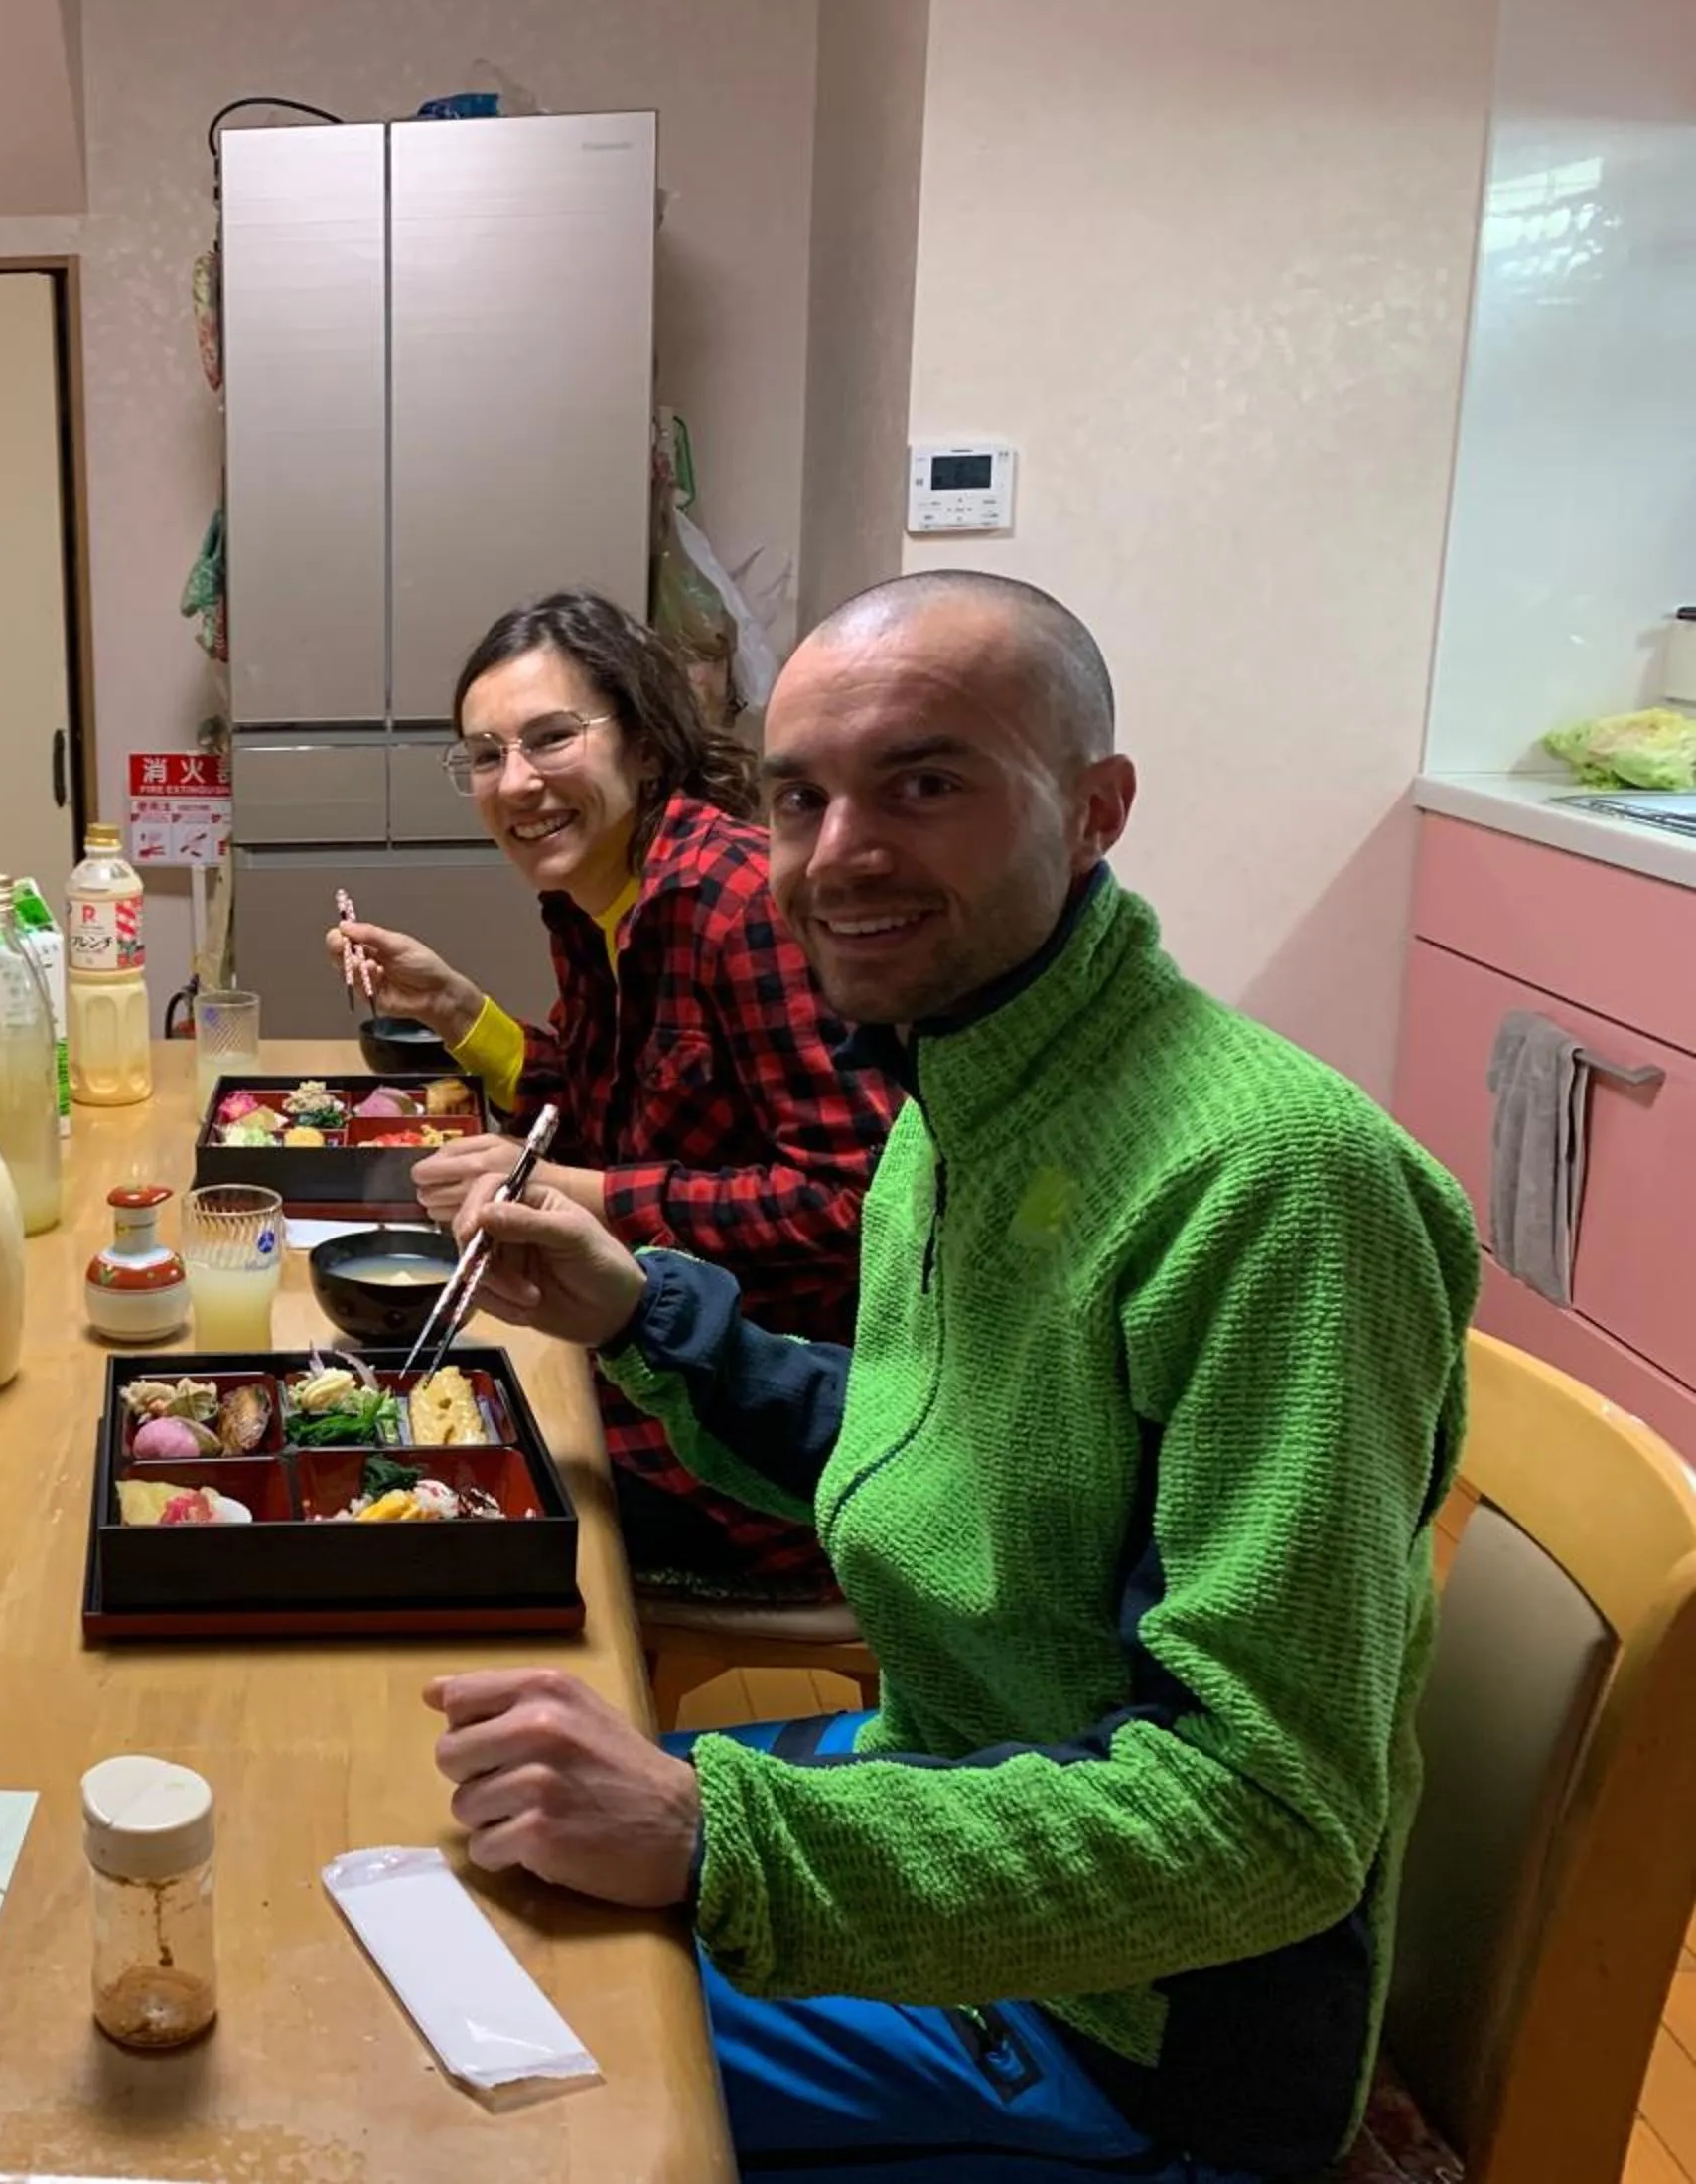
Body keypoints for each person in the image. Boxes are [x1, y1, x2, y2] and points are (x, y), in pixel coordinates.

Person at [425, 571, 1476, 2181]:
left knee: (468, 2075)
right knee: (435, 1877)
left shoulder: (1274, 1186)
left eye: (924, 782)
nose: (838, 854)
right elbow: (956, 1458)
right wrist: (647, 1319)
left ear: (1095, 809)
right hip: (944, 1780)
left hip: (1131, 2031)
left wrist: (716, 1833)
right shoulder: (963, 1089)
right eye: (799, 798)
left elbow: (1266, 1824)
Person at [328, 591, 893, 1597]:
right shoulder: (597, 895)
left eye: (551, 740)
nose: (518, 783)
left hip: (753, 1434)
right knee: (367, 1410)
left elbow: (852, 1202)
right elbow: (595, 1113)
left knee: (405, 1512)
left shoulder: (735, 903)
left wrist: (584, 1196)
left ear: (640, 739)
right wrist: (456, 1006)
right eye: (486, 755)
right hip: (640, 1353)